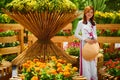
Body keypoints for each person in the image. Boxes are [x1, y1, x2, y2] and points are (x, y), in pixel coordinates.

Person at [74, 6, 98, 80]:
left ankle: (93, 77)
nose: (89, 14)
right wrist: (85, 39)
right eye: (88, 12)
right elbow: (76, 34)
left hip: (92, 45)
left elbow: (95, 34)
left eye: (91, 12)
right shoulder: (80, 23)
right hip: (84, 45)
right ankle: (86, 78)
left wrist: (95, 39)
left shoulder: (93, 23)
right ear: (85, 12)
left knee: (92, 61)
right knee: (85, 61)